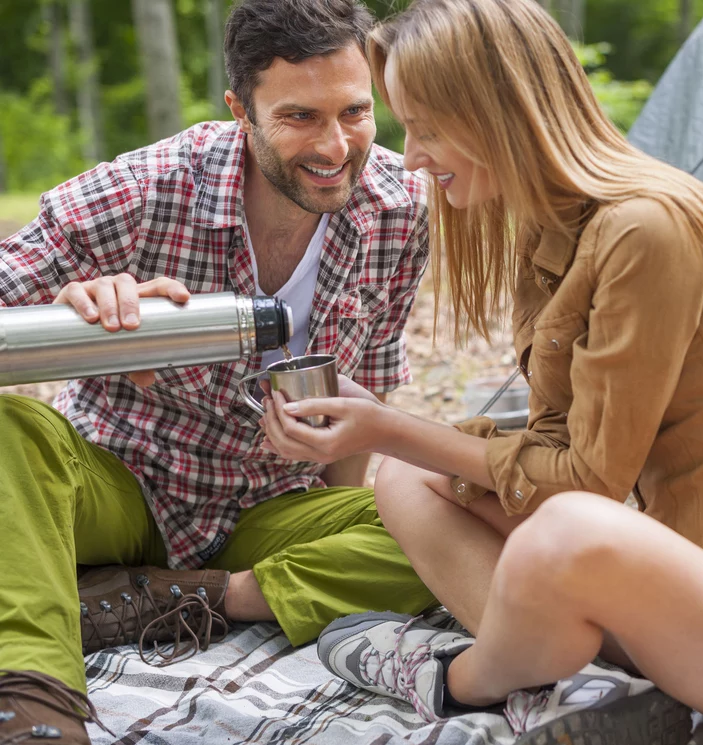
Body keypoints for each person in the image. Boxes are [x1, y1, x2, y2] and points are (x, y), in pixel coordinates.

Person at [260, 0, 703, 741]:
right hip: (685, 593)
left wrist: (390, 427)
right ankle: (551, 681)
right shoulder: (551, 228)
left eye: (427, 127)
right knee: (408, 477)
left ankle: (462, 680)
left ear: (497, 111)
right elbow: (556, 447)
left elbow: (587, 482)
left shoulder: (647, 227)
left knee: (563, 525)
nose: (414, 156)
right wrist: (386, 432)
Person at [0, 0, 437, 741]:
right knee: (11, 430)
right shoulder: (138, 192)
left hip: (268, 509)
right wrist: (74, 316)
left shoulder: (401, 208)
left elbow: (365, 397)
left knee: (464, 510)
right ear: (241, 109)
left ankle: (198, 598)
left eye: (356, 112)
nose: (337, 146)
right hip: (118, 490)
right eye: (301, 117)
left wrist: (344, 538)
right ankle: (34, 709)